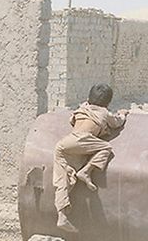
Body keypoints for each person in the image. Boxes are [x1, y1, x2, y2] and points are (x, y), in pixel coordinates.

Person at [53, 83, 128, 232]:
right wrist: (122, 114)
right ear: (107, 103)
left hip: (62, 146)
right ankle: (86, 171)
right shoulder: (104, 113)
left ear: (88, 97)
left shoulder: (81, 109)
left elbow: (72, 121)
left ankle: (61, 216)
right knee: (106, 148)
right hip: (81, 140)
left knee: (63, 179)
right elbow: (116, 123)